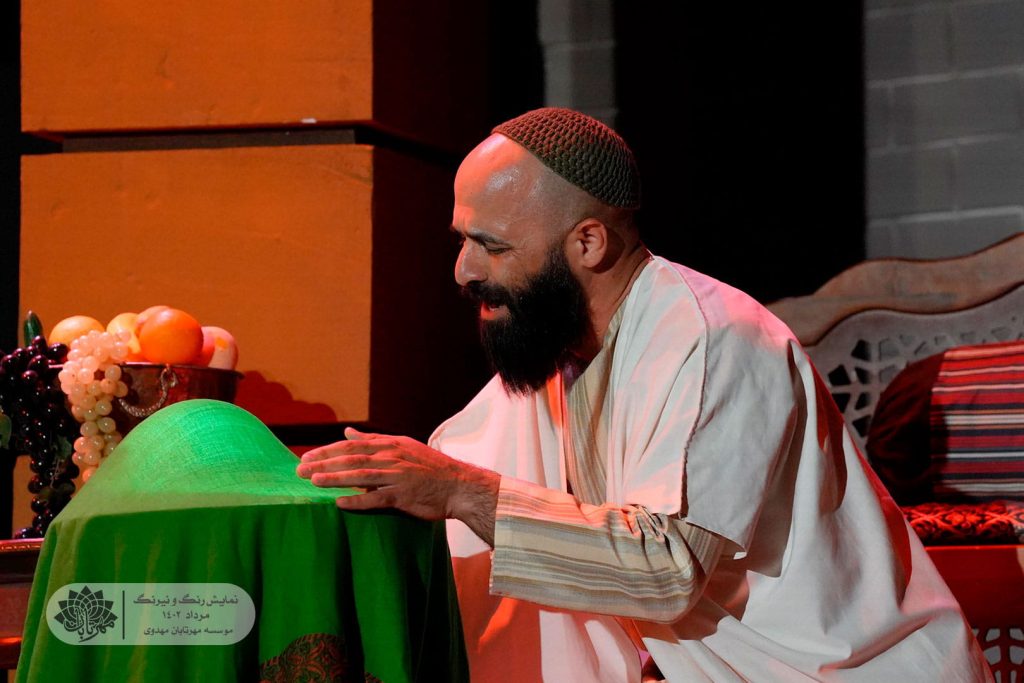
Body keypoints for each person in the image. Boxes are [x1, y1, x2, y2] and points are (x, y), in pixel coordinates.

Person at [296, 108, 991, 682]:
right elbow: (449, 464)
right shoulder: (559, 352)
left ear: (588, 242)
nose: (463, 270)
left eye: (492, 246)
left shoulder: (713, 340)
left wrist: (461, 493)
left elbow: (665, 569)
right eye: (462, 241)